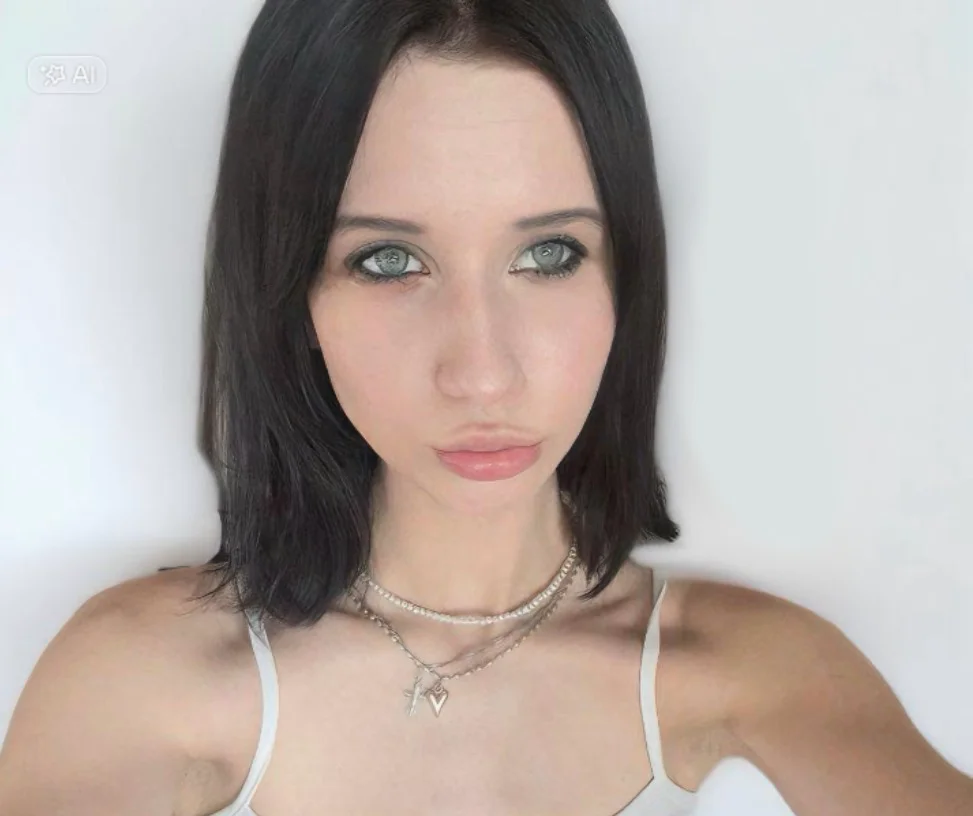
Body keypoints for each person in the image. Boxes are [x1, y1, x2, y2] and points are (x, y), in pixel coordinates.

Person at [1, 1, 971, 814]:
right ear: (292, 296)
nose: (482, 374)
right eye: (388, 261)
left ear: (624, 276)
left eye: (547, 255)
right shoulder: (144, 678)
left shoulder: (755, 667)